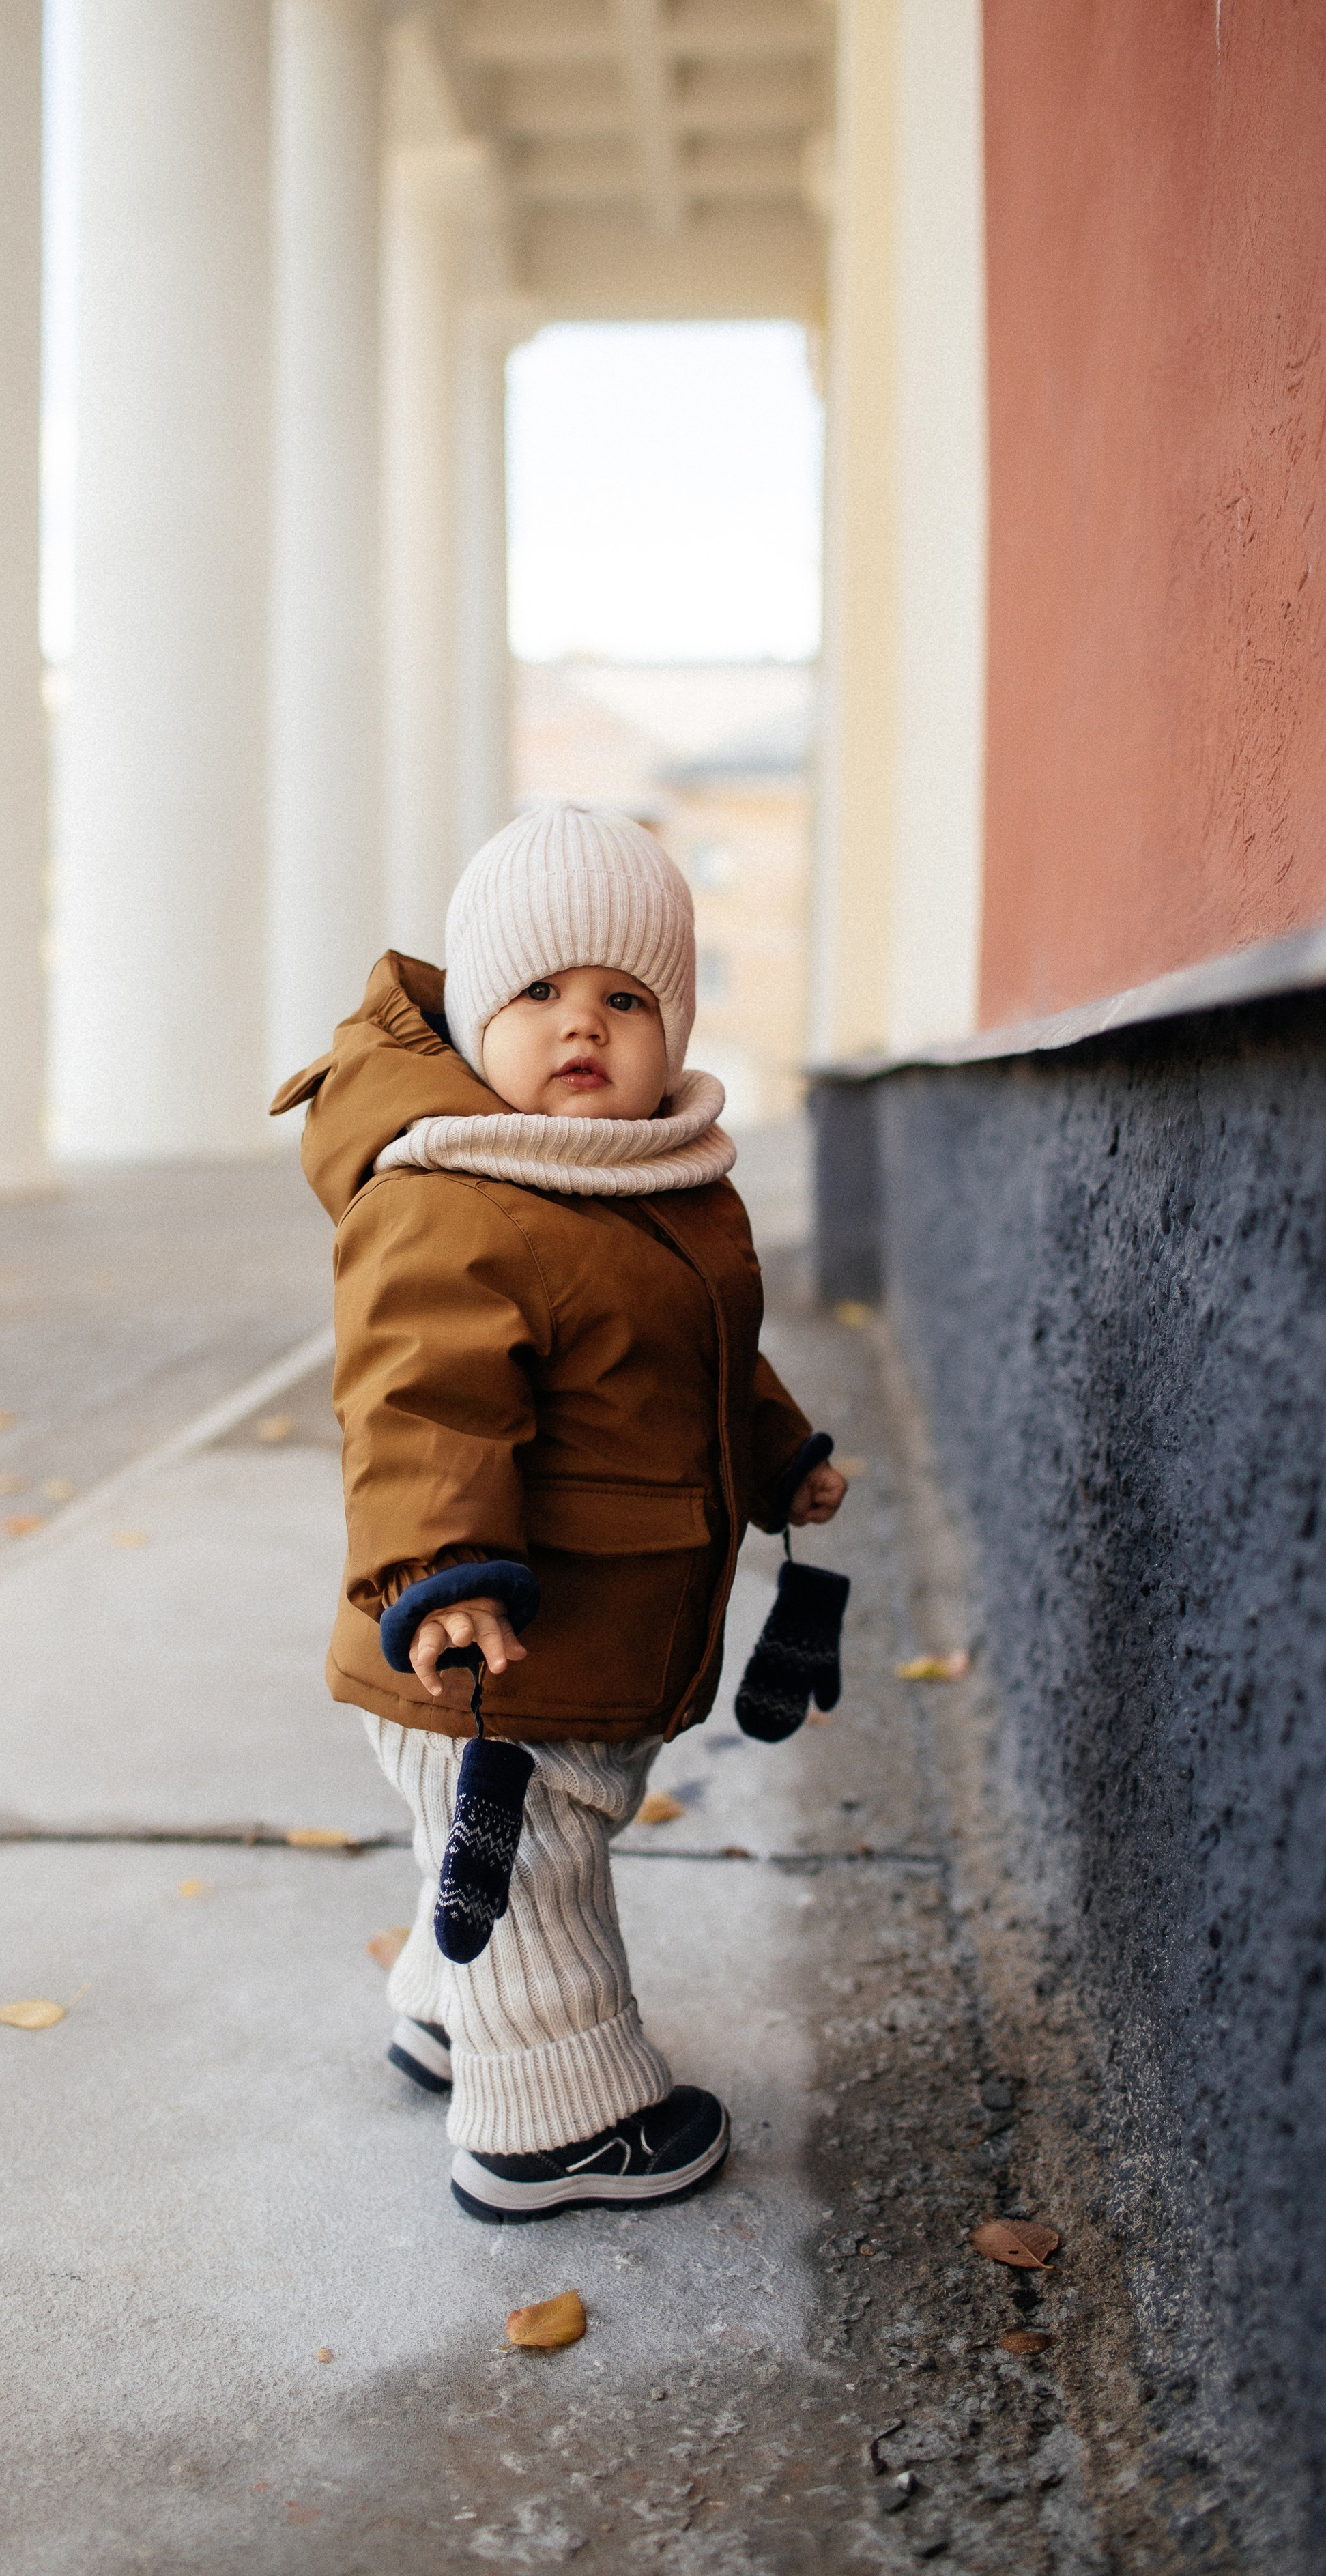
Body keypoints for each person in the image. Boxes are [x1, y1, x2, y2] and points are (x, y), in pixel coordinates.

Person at [271, 800, 847, 2221]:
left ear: (677, 1026)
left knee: (523, 1842)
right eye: (536, 993)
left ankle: (441, 2006)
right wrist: (444, 1566)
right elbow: (416, 1405)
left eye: (625, 997)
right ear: (475, 1020)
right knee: (535, 1870)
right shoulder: (456, 1200)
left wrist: (776, 1459)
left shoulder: (636, 1183)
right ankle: (554, 2119)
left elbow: (696, 1358)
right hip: (487, 1649)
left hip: (588, 1634)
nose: (581, 1026)